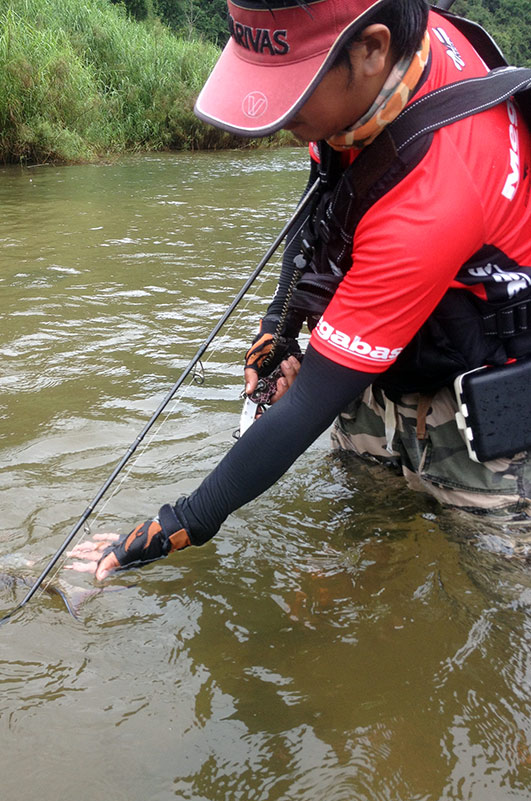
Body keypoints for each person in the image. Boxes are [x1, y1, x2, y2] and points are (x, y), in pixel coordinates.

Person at [68, 0, 531, 581]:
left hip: (472, 397)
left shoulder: (438, 188)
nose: (279, 117)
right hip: (392, 342)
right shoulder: (377, 78)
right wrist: (279, 327)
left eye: (293, 91)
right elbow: (328, 204)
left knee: (494, 580)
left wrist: (179, 522)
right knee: (366, 526)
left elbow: (310, 401)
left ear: (370, 50)